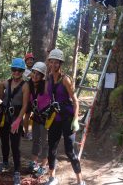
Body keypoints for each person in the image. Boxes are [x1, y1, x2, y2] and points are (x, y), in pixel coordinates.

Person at [44, 49, 85, 185]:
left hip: (67, 118)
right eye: (52, 62)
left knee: (70, 151)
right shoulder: (49, 78)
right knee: (51, 149)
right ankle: (52, 178)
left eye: (57, 62)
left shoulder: (66, 79)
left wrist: (75, 120)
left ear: (60, 63)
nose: (54, 64)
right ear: (49, 62)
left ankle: (80, 180)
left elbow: (75, 100)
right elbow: (47, 97)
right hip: (55, 119)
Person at [0, 58, 30, 185]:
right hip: (5, 117)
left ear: (22, 71)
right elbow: (1, 95)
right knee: (4, 142)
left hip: (16, 117)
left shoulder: (25, 85)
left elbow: (25, 105)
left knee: (15, 145)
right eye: (14, 70)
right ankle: (5, 163)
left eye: (19, 70)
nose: (16, 72)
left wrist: (19, 120)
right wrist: (2, 87)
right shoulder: (7, 83)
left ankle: (16, 171)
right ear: (11, 70)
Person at [27, 62, 50, 178]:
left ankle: (44, 165)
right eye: (34, 73)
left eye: (38, 74)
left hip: (46, 118)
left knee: (45, 142)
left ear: (42, 76)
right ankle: (34, 162)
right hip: (36, 117)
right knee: (35, 140)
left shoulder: (46, 86)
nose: (35, 76)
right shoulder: (30, 85)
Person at [23, 52, 35, 140]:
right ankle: (26, 133)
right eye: (28, 60)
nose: (30, 61)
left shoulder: (33, 70)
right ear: (26, 61)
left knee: (33, 114)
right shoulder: (25, 70)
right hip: (26, 95)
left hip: (33, 95)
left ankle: (30, 132)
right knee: (26, 114)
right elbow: (34, 77)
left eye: (31, 60)